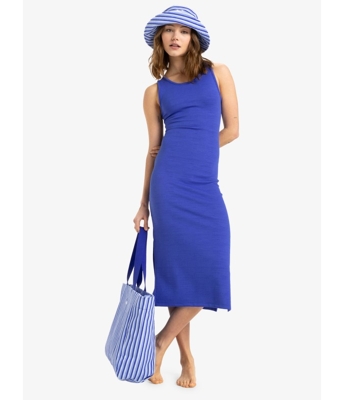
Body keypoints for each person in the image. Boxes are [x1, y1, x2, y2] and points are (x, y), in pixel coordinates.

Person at [133, 6, 239, 388]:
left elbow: (233, 129)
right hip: (168, 189)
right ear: (160, 39)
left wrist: (195, 148)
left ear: (194, 38)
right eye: (168, 31)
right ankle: (187, 359)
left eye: (183, 30)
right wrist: (143, 204)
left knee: (209, 268)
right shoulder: (154, 92)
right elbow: (153, 150)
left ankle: (160, 343)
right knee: (179, 275)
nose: (175, 36)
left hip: (204, 187)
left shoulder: (218, 73)